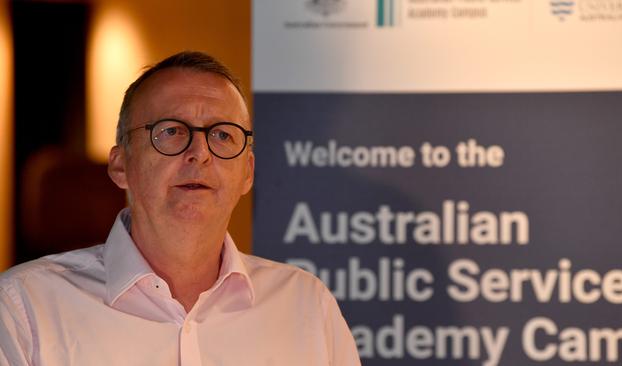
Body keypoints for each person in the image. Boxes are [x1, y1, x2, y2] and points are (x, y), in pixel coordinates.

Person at [0, 51, 361, 365]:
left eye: (222, 134)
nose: (200, 154)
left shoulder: (306, 306)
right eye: (171, 131)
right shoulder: (25, 308)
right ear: (121, 164)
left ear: (247, 173)